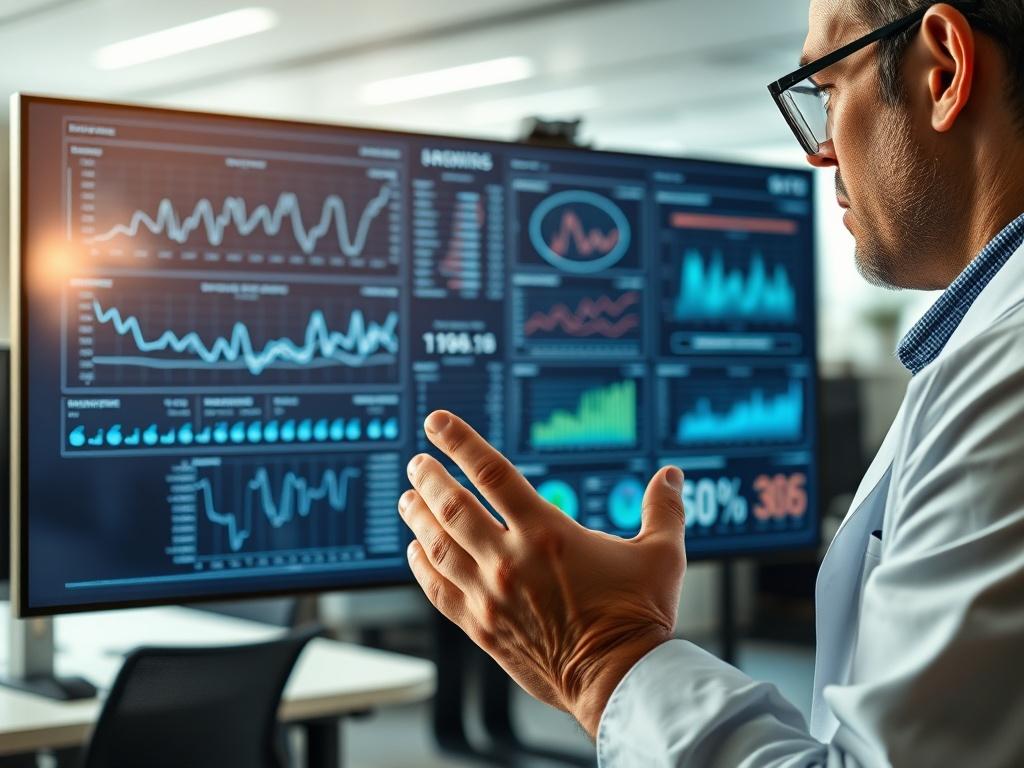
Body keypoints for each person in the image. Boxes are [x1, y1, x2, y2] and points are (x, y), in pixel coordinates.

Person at [397, 0, 1024, 764]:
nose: (818, 152)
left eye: (825, 88)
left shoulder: (1009, 377)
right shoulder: (983, 351)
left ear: (945, 71)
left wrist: (603, 657)